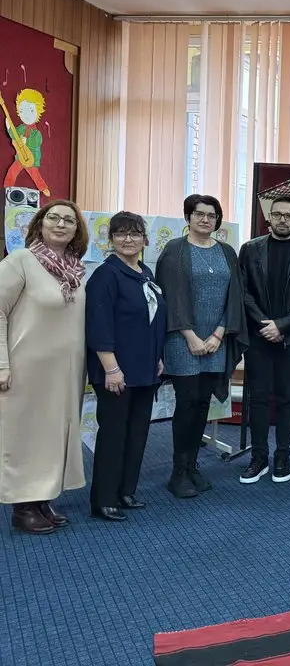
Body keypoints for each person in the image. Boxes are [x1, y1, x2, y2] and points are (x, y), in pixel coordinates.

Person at [0, 200, 88, 533]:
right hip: (26, 369)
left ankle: (42, 498)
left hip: (65, 373)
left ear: (77, 230)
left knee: (52, 436)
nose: (61, 224)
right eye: (54, 217)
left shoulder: (76, 269)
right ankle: (22, 507)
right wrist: (2, 364)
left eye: (69, 220)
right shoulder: (20, 261)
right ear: (39, 223)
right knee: (27, 435)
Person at [156, 194, 247, 499]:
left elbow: (234, 296)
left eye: (211, 215)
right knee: (187, 403)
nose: (206, 219)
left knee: (203, 405)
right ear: (188, 217)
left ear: (217, 220)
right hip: (183, 340)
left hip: (216, 341)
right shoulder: (175, 250)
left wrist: (219, 334)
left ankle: (192, 465)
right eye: (199, 214)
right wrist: (191, 336)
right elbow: (169, 296)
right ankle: (178, 472)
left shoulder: (227, 252)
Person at [85, 211, 167, 521]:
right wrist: (111, 369)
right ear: (111, 239)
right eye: (121, 233)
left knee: (137, 433)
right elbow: (98, 326)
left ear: (146, 240)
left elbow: (153, 320)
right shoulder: (106, 275)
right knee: (114, 435)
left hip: (144, 369)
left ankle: (125, 491)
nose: (128, 239)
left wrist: (158, 357)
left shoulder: (145, 272)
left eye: (134, 233)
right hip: (116, 371)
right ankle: (104, 499)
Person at [237, 196, 290, 485]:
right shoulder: (250, 250)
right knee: (258, 398)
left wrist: (282, 326)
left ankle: (283, 456)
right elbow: (243, 292)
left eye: (289, 215)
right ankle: (259, 457)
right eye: (278, 214)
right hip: (258, 336)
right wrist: (266, 325)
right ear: (269, 218)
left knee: (287, 399)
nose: (283, 219)